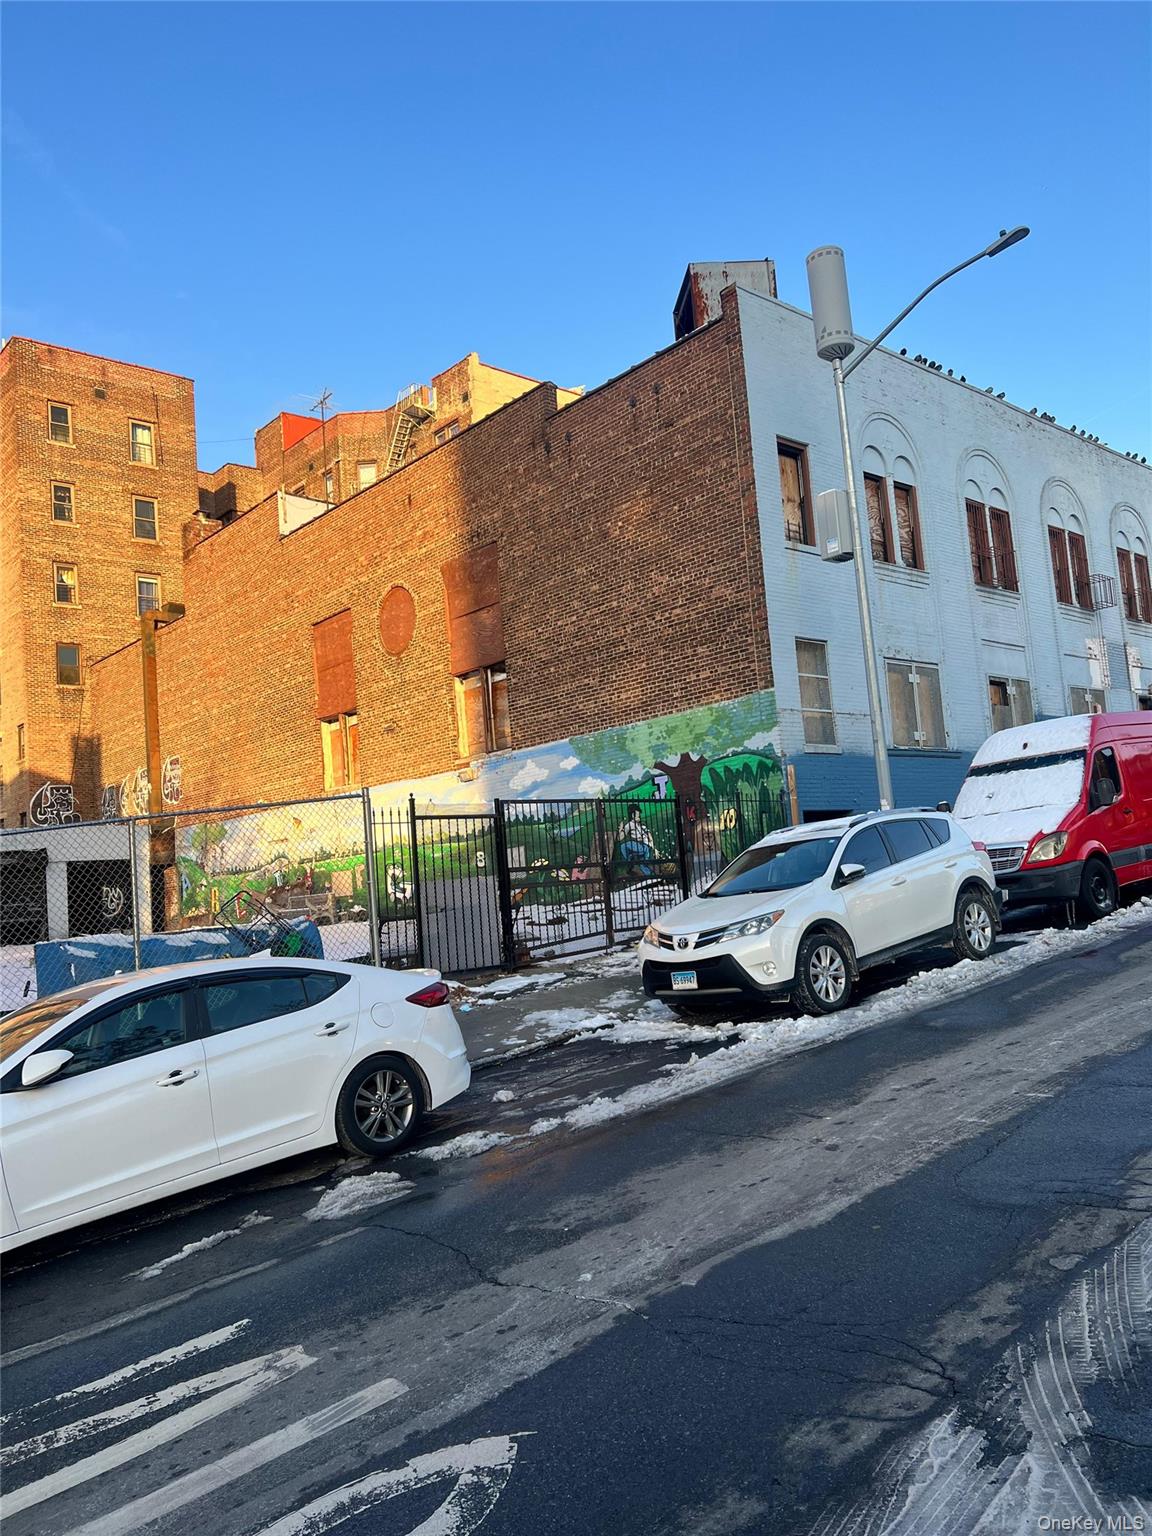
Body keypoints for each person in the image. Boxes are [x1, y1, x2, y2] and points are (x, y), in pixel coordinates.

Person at [615, 806, 657, 879]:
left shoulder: (642, 825)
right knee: (642, 864)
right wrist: (620, 829)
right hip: (642, 848)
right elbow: (619, 838)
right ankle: (651, 877)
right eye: (638, 814)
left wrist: (654, 849)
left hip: (644, 848)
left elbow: (650, 837)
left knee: (624, 846)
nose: (639, 816)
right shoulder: (629, 825)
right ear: (632, 815)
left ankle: (630, 861)